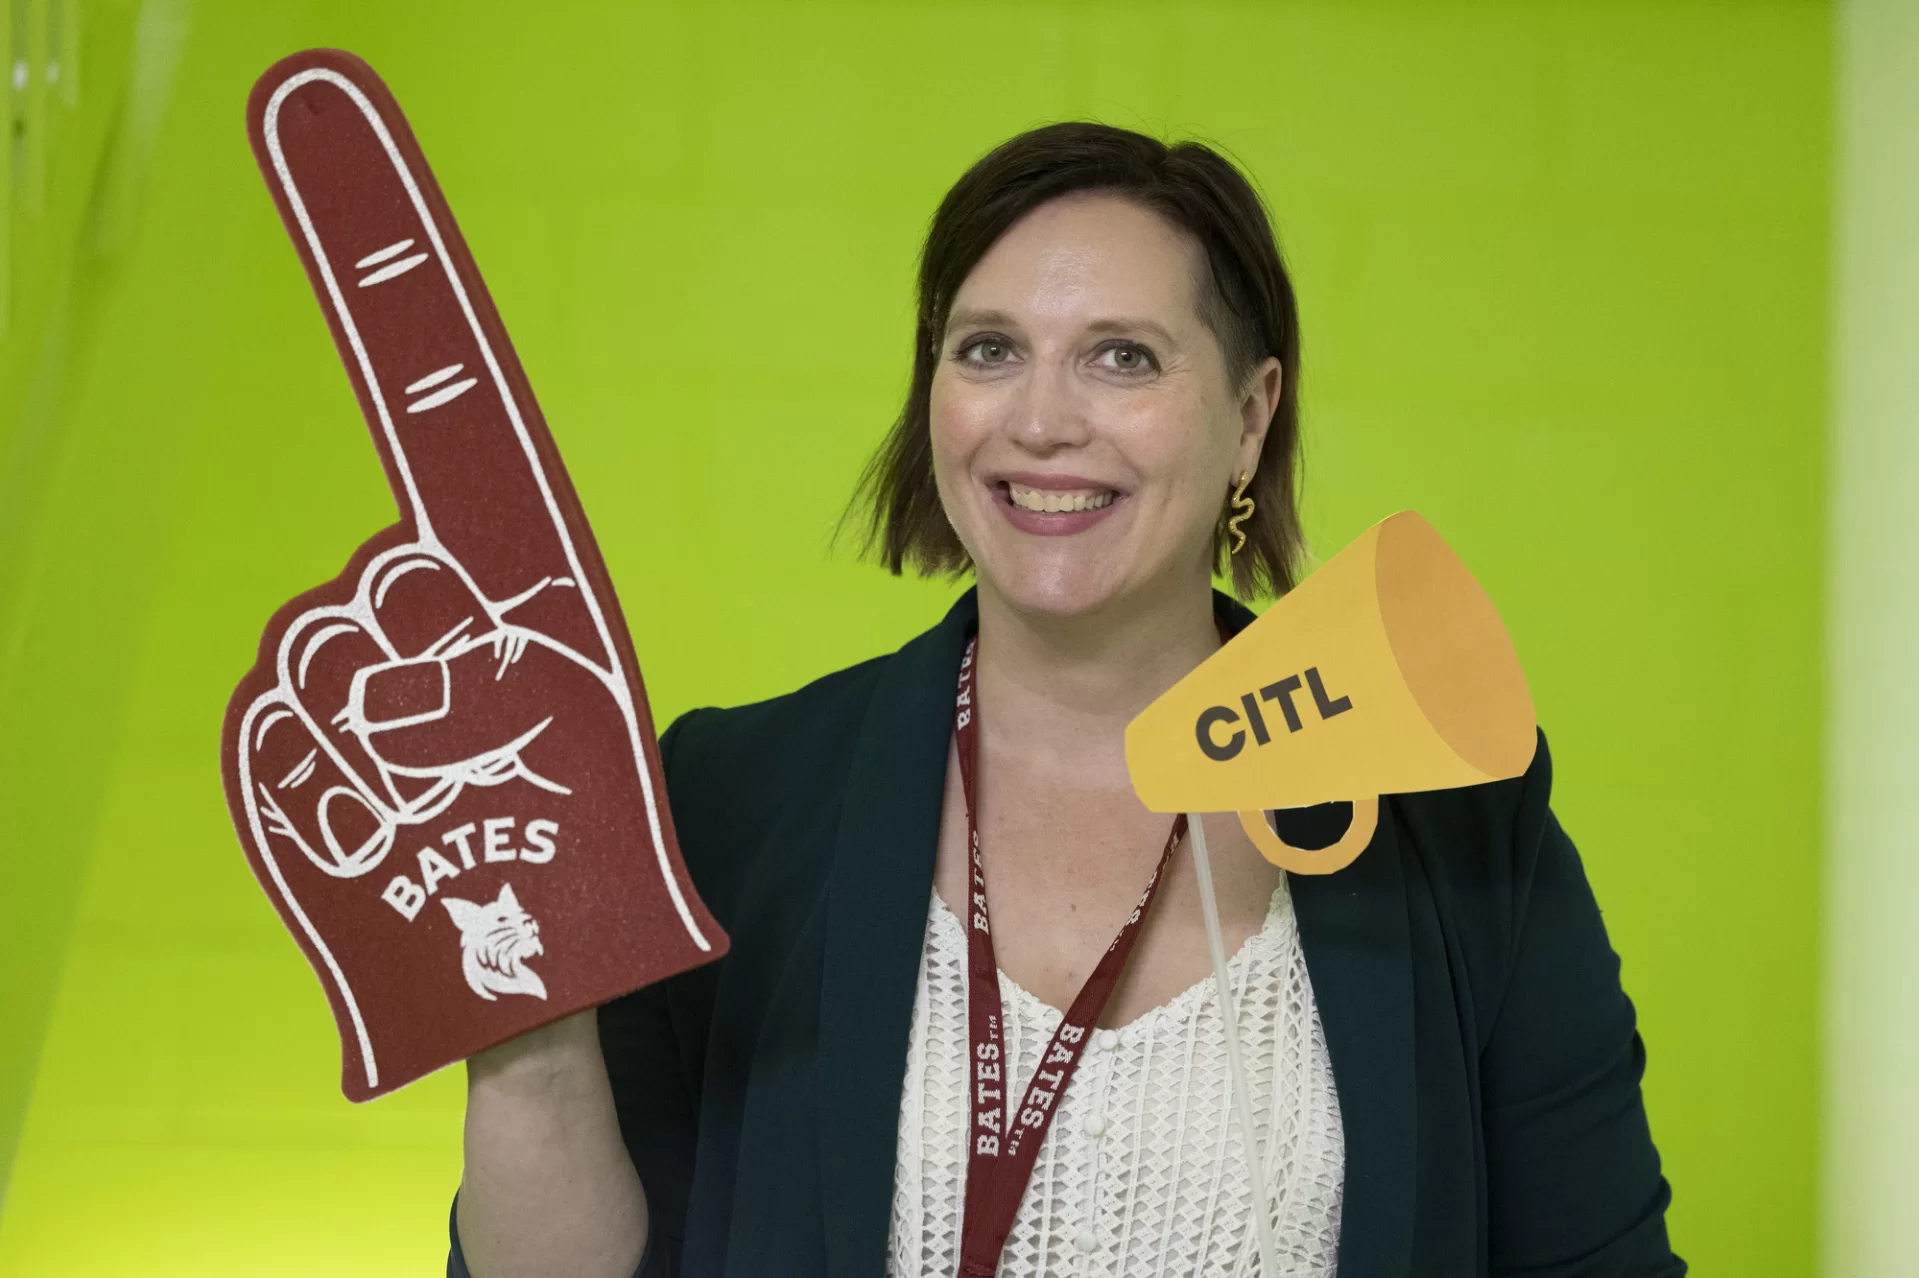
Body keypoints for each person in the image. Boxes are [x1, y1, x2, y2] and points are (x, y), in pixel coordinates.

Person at [448, 123, 1683, 1278]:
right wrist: (517, 1029)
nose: (1040, 421)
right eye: (988, 350)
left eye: (1122, 357)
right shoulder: (725, 801)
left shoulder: (1448, 818)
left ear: (1250, 417)